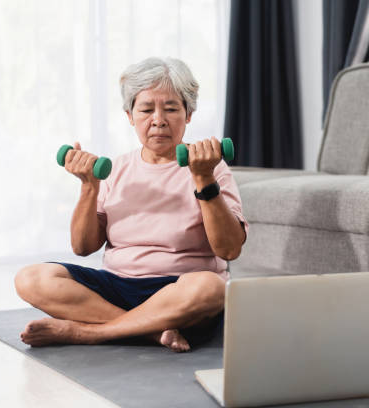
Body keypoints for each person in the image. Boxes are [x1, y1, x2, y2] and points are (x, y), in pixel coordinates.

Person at [14, 57, 248, 352]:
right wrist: (89, 186)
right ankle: (151, 332)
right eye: (147, 109)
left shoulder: (211, 167)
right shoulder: (116, 168)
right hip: (117, 287)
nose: (158, 119)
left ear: (188, 115)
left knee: (211, 288)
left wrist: (202, 178)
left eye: (171, 108)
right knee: (31, 278)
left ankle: (87, 333)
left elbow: (229, 250)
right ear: (130, 115)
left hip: (178, 290)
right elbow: (83, 247)